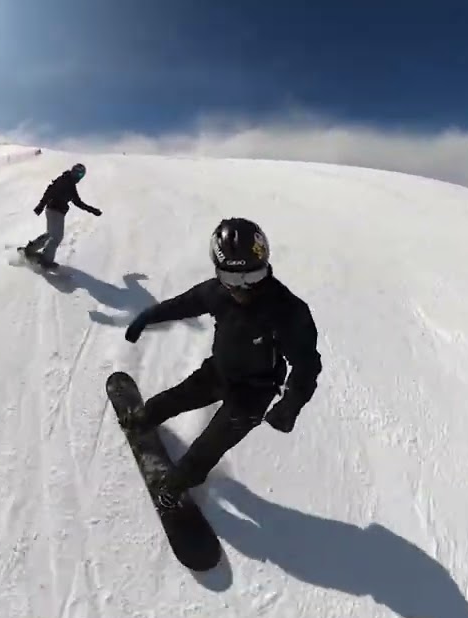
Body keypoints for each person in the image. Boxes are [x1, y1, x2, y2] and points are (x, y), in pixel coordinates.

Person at [120, 217, 322, 509]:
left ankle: (176, 484)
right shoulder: (216, 292)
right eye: (232, 280)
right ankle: (145, 418)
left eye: (252, 278)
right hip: (219, 371)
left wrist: (290, 405)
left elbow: (307, 365)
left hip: (254, 395)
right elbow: (182, 304)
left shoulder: (288, 310)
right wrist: (147, 318)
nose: (243, 289)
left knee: (210, 444)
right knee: (179, 396)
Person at [24, 162, 101, 269]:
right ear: (73, 171)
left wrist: (92, 210)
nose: (79, 177)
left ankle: (30, 249)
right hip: (55, 210)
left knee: (50, 234)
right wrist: (41, 205)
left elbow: (78, 202)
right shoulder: (65, 180)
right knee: (56, 237)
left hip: (54, 210)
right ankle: (46, 260)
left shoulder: (70, 183)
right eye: (78, 174)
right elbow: (50, 190)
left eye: (81, 175)